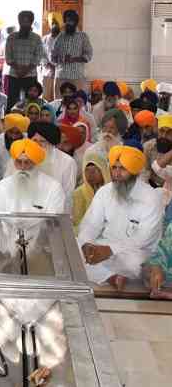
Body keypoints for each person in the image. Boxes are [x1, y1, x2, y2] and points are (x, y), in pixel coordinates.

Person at [78, 145, 164, 290]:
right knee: (75, 250)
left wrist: (110, 250)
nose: (117, 174)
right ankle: (111, 277)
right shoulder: (105, 192)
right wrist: (87, 245)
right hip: (103, 245)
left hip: (136, 251)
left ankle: (108, 274)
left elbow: (143, 239)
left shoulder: (151, 198)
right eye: (114, 168)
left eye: (122, 169)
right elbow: (90, 225)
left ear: (134, 172)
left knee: (136, 264)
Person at [0, 138, 66, 213]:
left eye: (27, 162)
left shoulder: (53, 187)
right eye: (19, 162)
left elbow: (54, 222)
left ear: (36, 164)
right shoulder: (3, 185)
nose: (23, 167)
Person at [24, 121, 77, 211]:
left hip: (54, 213)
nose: (37, 145)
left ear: (51, 144)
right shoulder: (24, 159)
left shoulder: (67, 162)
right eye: (34, 141)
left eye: (42, 141)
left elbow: (67, 197)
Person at [4, 10, 46, 111]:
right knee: (12, 101)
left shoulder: (36, 38)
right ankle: (10, 121)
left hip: (30, 75)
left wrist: (26, 70)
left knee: (31, 102)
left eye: (27, 21)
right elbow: (8, 57)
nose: (25, 24)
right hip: (14, 74)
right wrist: (18, 69)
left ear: (31, 22)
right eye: (23, 21)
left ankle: (31, 123)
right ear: (19, 22)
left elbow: (38, 57)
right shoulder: (11, 37)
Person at [51, 9, 93, 92]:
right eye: (67, 21)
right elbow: (52, 56)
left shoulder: (83, 36)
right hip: (61, 76)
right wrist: (61, 58)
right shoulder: (60, 37)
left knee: (76, 102)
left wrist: (74, 59)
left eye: (71, 21)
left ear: (76, 22)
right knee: (59, 103)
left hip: (76, 77)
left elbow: (89, 55)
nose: (69, 23)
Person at [0, 113, 30, 189]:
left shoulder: (28, 142)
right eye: (11, 132)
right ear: (6, 130)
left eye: (17, 133)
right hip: (1, 187)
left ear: (22, 133)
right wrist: (2, 187)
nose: (13, 136)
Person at [72, 153, 111, 233]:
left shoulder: (114, 192)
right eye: (87, 170)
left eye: (94, 170)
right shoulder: (79, 193)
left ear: (103, 171)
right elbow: (77, 223)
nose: (90, 174)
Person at [41, 12, 62, 101]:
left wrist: (57, 66)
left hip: (61, 73)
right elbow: (41, 55)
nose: (54, 26)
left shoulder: (64, 38)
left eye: (56, 24)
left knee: (58, 97)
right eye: (53, 24)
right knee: (46, 97)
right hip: (47, 72)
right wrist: (48, 64)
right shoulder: (45, 39)